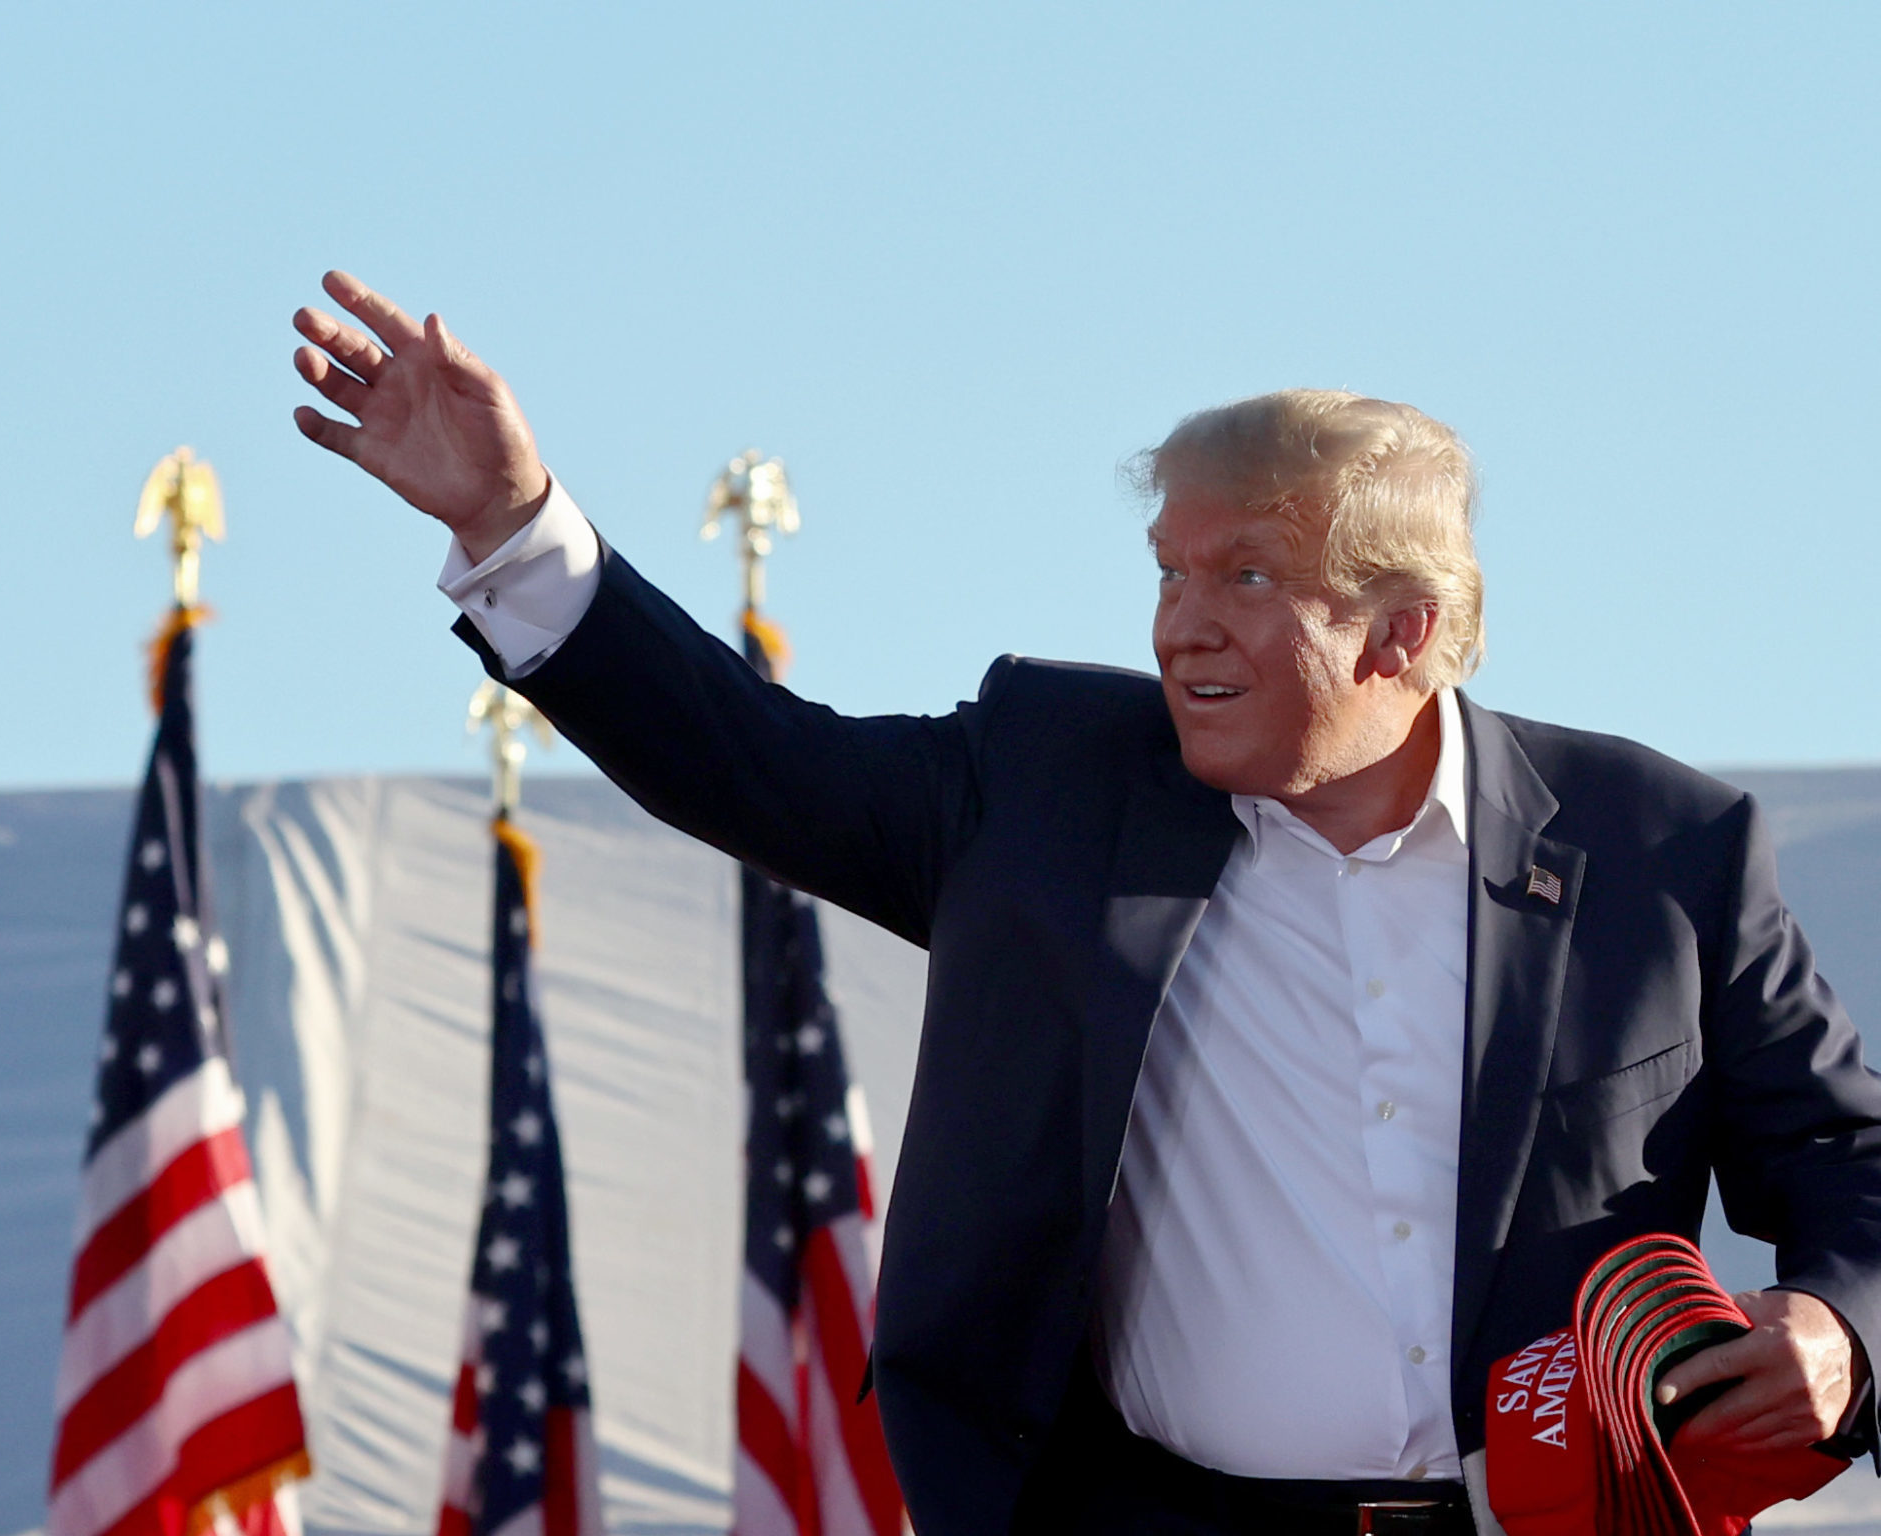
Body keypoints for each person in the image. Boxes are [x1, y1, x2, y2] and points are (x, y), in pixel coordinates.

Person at [287, 270, 1881, 1534]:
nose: (1180, 625)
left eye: (1243, 578)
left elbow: (1848, 1161)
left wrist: (1837, 1331)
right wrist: (514, 527)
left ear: (1401, 636)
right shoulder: (1044, 787)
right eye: (1168, 571)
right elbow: (750, 763)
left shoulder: (1660, 849)